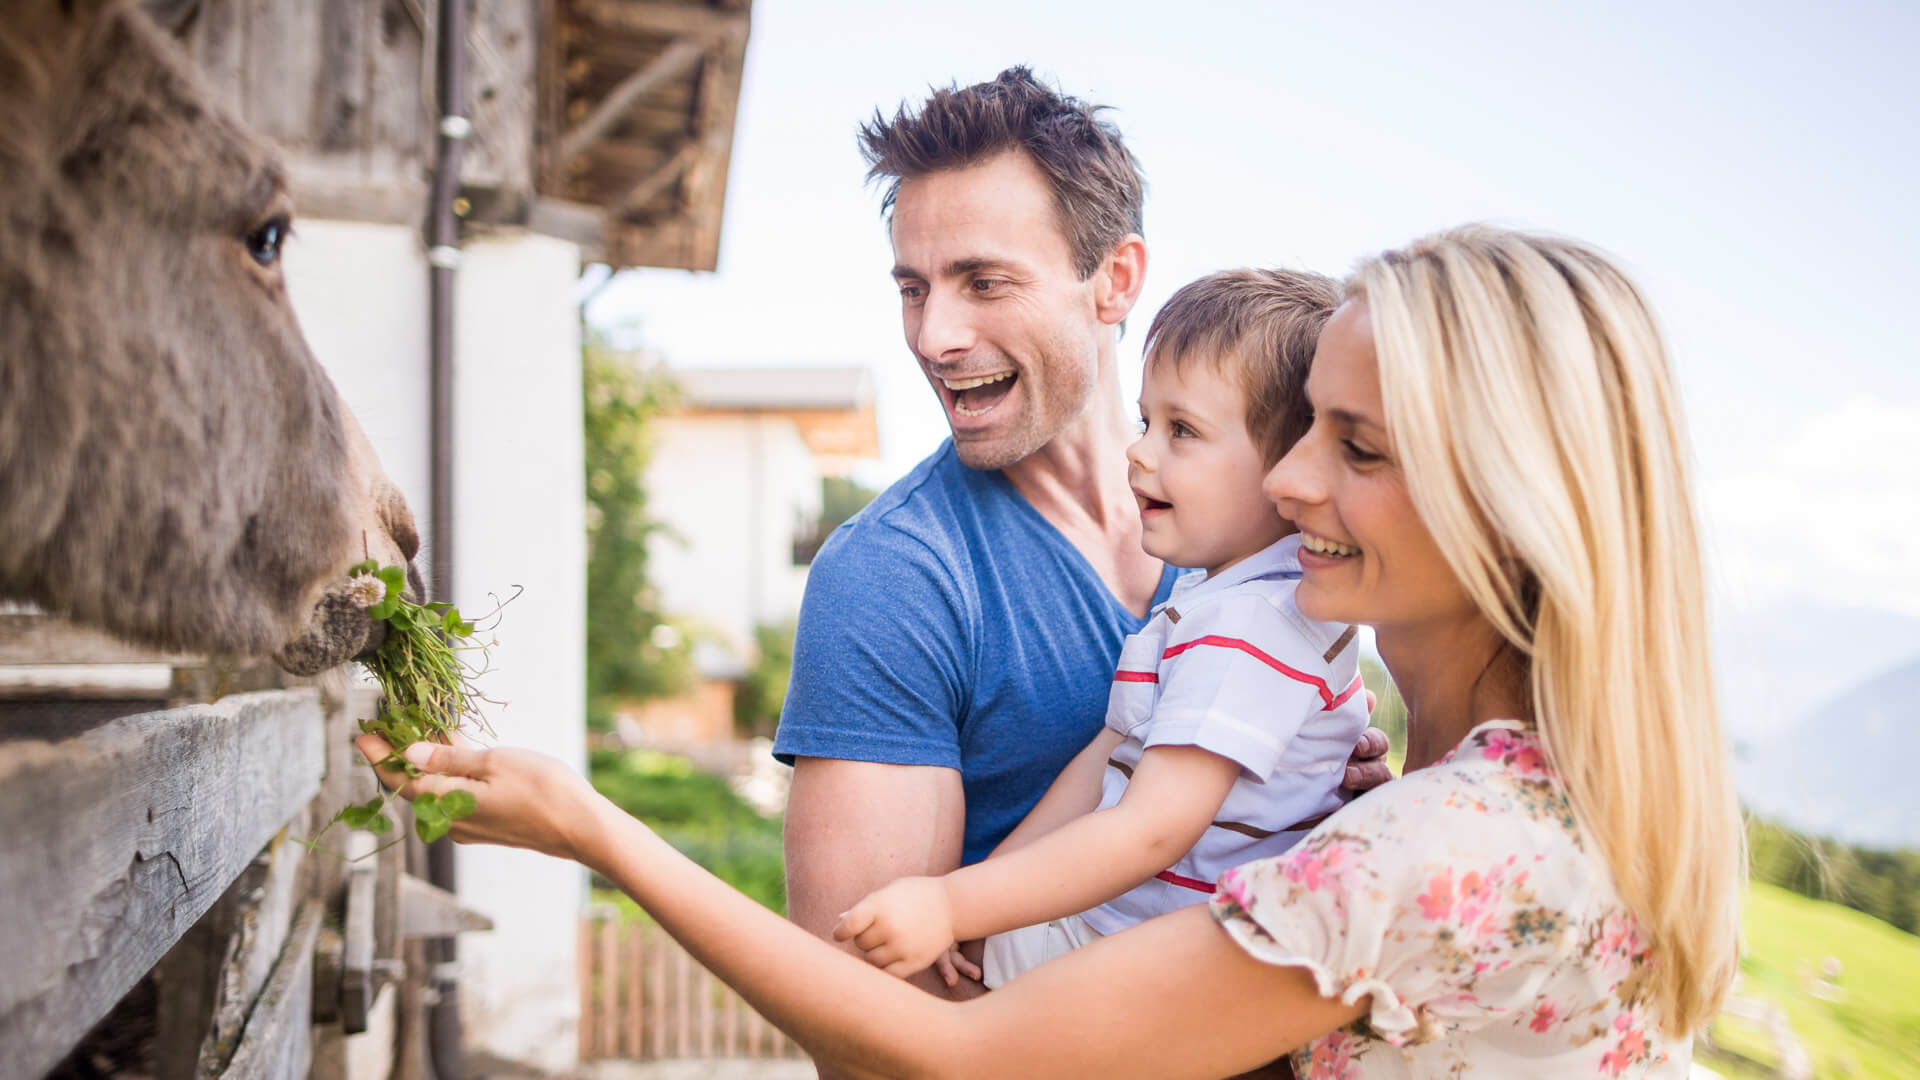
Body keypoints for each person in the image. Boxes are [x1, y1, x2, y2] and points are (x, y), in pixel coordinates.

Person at [362, 225, 1745, 1077]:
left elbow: (951, 1062)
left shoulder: (1436, 843)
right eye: (1306, 425)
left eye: (1358, 447)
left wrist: (594, 830)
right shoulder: (1493, 786)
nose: (1294, 483)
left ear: (1512, 505)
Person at [771, 67, 1388, 1001]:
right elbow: (866, 1019)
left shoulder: (1268, 552)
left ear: (1114, 280)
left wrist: (1325, 809)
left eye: (984, 281)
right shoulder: (892, 578)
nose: (934, 335)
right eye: (912, 288)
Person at [833, 269, 1369, 990]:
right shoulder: (1219, 604)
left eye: (1183, 431)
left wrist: (950, 903)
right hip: (1127, 941)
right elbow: (1107, 757)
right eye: (1149, 422)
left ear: (1291, 468)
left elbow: (1152, 828)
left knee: (874, 999)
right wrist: (983, 899)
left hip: (1161, 970)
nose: (1140, 453)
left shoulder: (1251, 628)